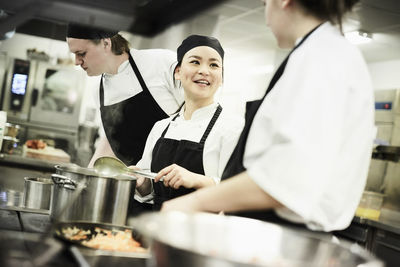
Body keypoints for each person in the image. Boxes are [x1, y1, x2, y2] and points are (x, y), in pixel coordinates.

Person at [161, 0, 376, 232]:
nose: (266, 17)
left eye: (265, 2)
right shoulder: (318, 53)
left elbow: (289, 180)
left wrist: (192, 202)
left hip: (288, 239)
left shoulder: (322, 58)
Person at [66, 24, 183, 214]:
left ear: (105, 43)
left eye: (82, 53)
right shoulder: (100, 91)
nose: (77, 61)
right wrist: (84, 181)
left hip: (175, 193)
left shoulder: (161, 63)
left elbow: (195, 119)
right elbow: (113, 142)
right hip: (135, 194)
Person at [132, 35, 244, 210]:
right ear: (177, 72)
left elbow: (238, 193)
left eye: (214, 65)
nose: (205, 71)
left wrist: (196, 179)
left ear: (221, 77)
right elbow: (149, 193)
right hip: (157, 226)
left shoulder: (233, 128)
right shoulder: (161, 127)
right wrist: (141, 183)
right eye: (195, 62)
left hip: (201, 231)